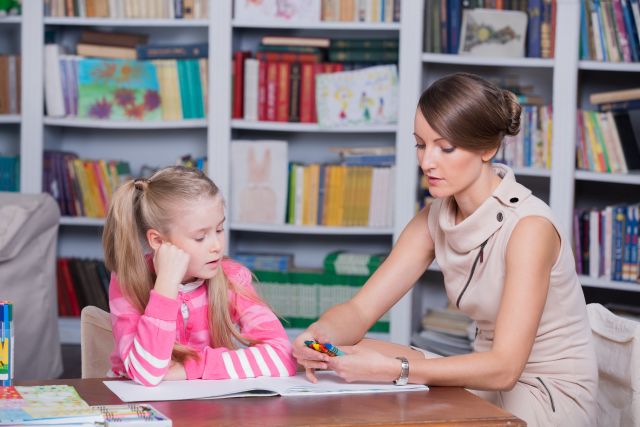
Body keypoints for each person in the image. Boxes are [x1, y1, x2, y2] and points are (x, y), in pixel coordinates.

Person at [293, 73, 597, 427]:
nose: (427, 162)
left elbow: (504, 369)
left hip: (547, 395)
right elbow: (361, 309)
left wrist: (399, 370)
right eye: (421, 145)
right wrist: (318, 337)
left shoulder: (530, 228)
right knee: (346, 356)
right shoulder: (435, 216)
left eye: (446, 147)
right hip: (480, 378)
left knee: (387, 382)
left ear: (487, 149)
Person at [103, 166, 296, 386]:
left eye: (220, 230)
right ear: (158, 241)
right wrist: (165, 286)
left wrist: (189, 368)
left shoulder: (232, 278)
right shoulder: (128, 281)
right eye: (200, 237)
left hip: (203, 402)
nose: (216, 246)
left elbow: (283, 356)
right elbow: (147, 373)